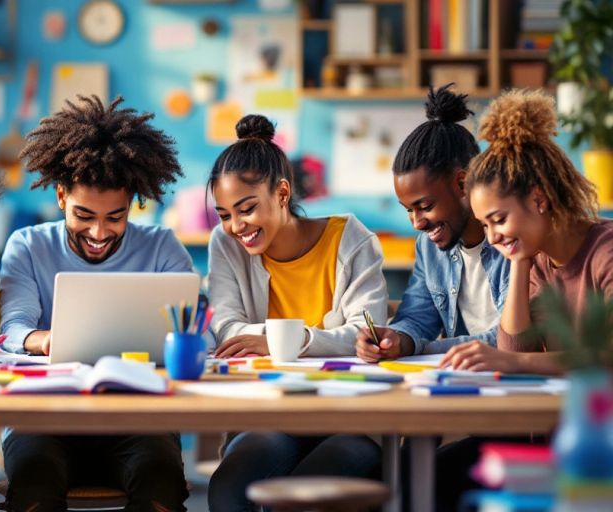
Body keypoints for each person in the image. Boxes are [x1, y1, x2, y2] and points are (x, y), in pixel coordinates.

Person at [0, 95, 191, 511]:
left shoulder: (162, 246)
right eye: (85, 215)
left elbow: (197, 328)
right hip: (44, 419)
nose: (99, 232)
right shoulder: (28, 245)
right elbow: (11, 326)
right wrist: (40, 339)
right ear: (62, 196)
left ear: (133, 205)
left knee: (162, 481)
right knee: (34, 484)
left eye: (115, 217)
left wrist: (189, 340)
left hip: (140, 422)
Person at [206, 114, 384, 511]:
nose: (236, 226)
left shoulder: (350, 240)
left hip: (347, 417)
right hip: (266, 412)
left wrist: (282, 341)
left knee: (307, 494)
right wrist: (313, 341)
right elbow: (228, 327)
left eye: (246, 209)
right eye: (224, 214)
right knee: (228, 490)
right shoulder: (227, 244)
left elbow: (365, 334)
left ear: (283, 194)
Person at [442, 88, 611, 375]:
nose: (492, 237)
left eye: (499, 219)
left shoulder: (605, 252)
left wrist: (513, 362)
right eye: (485, 225)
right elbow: (517, 349)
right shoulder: (538, 260)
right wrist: (519, 262)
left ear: (539, 200)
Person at [356, 84, 510, 363]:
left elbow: (511, 336)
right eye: (409, 210)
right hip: (466, 375)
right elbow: (416, 316)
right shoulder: (429, 248)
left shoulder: (510, 238)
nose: (417, 223)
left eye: (425, 206)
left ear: (463, 183)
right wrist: (396, 339)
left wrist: (425, 349)